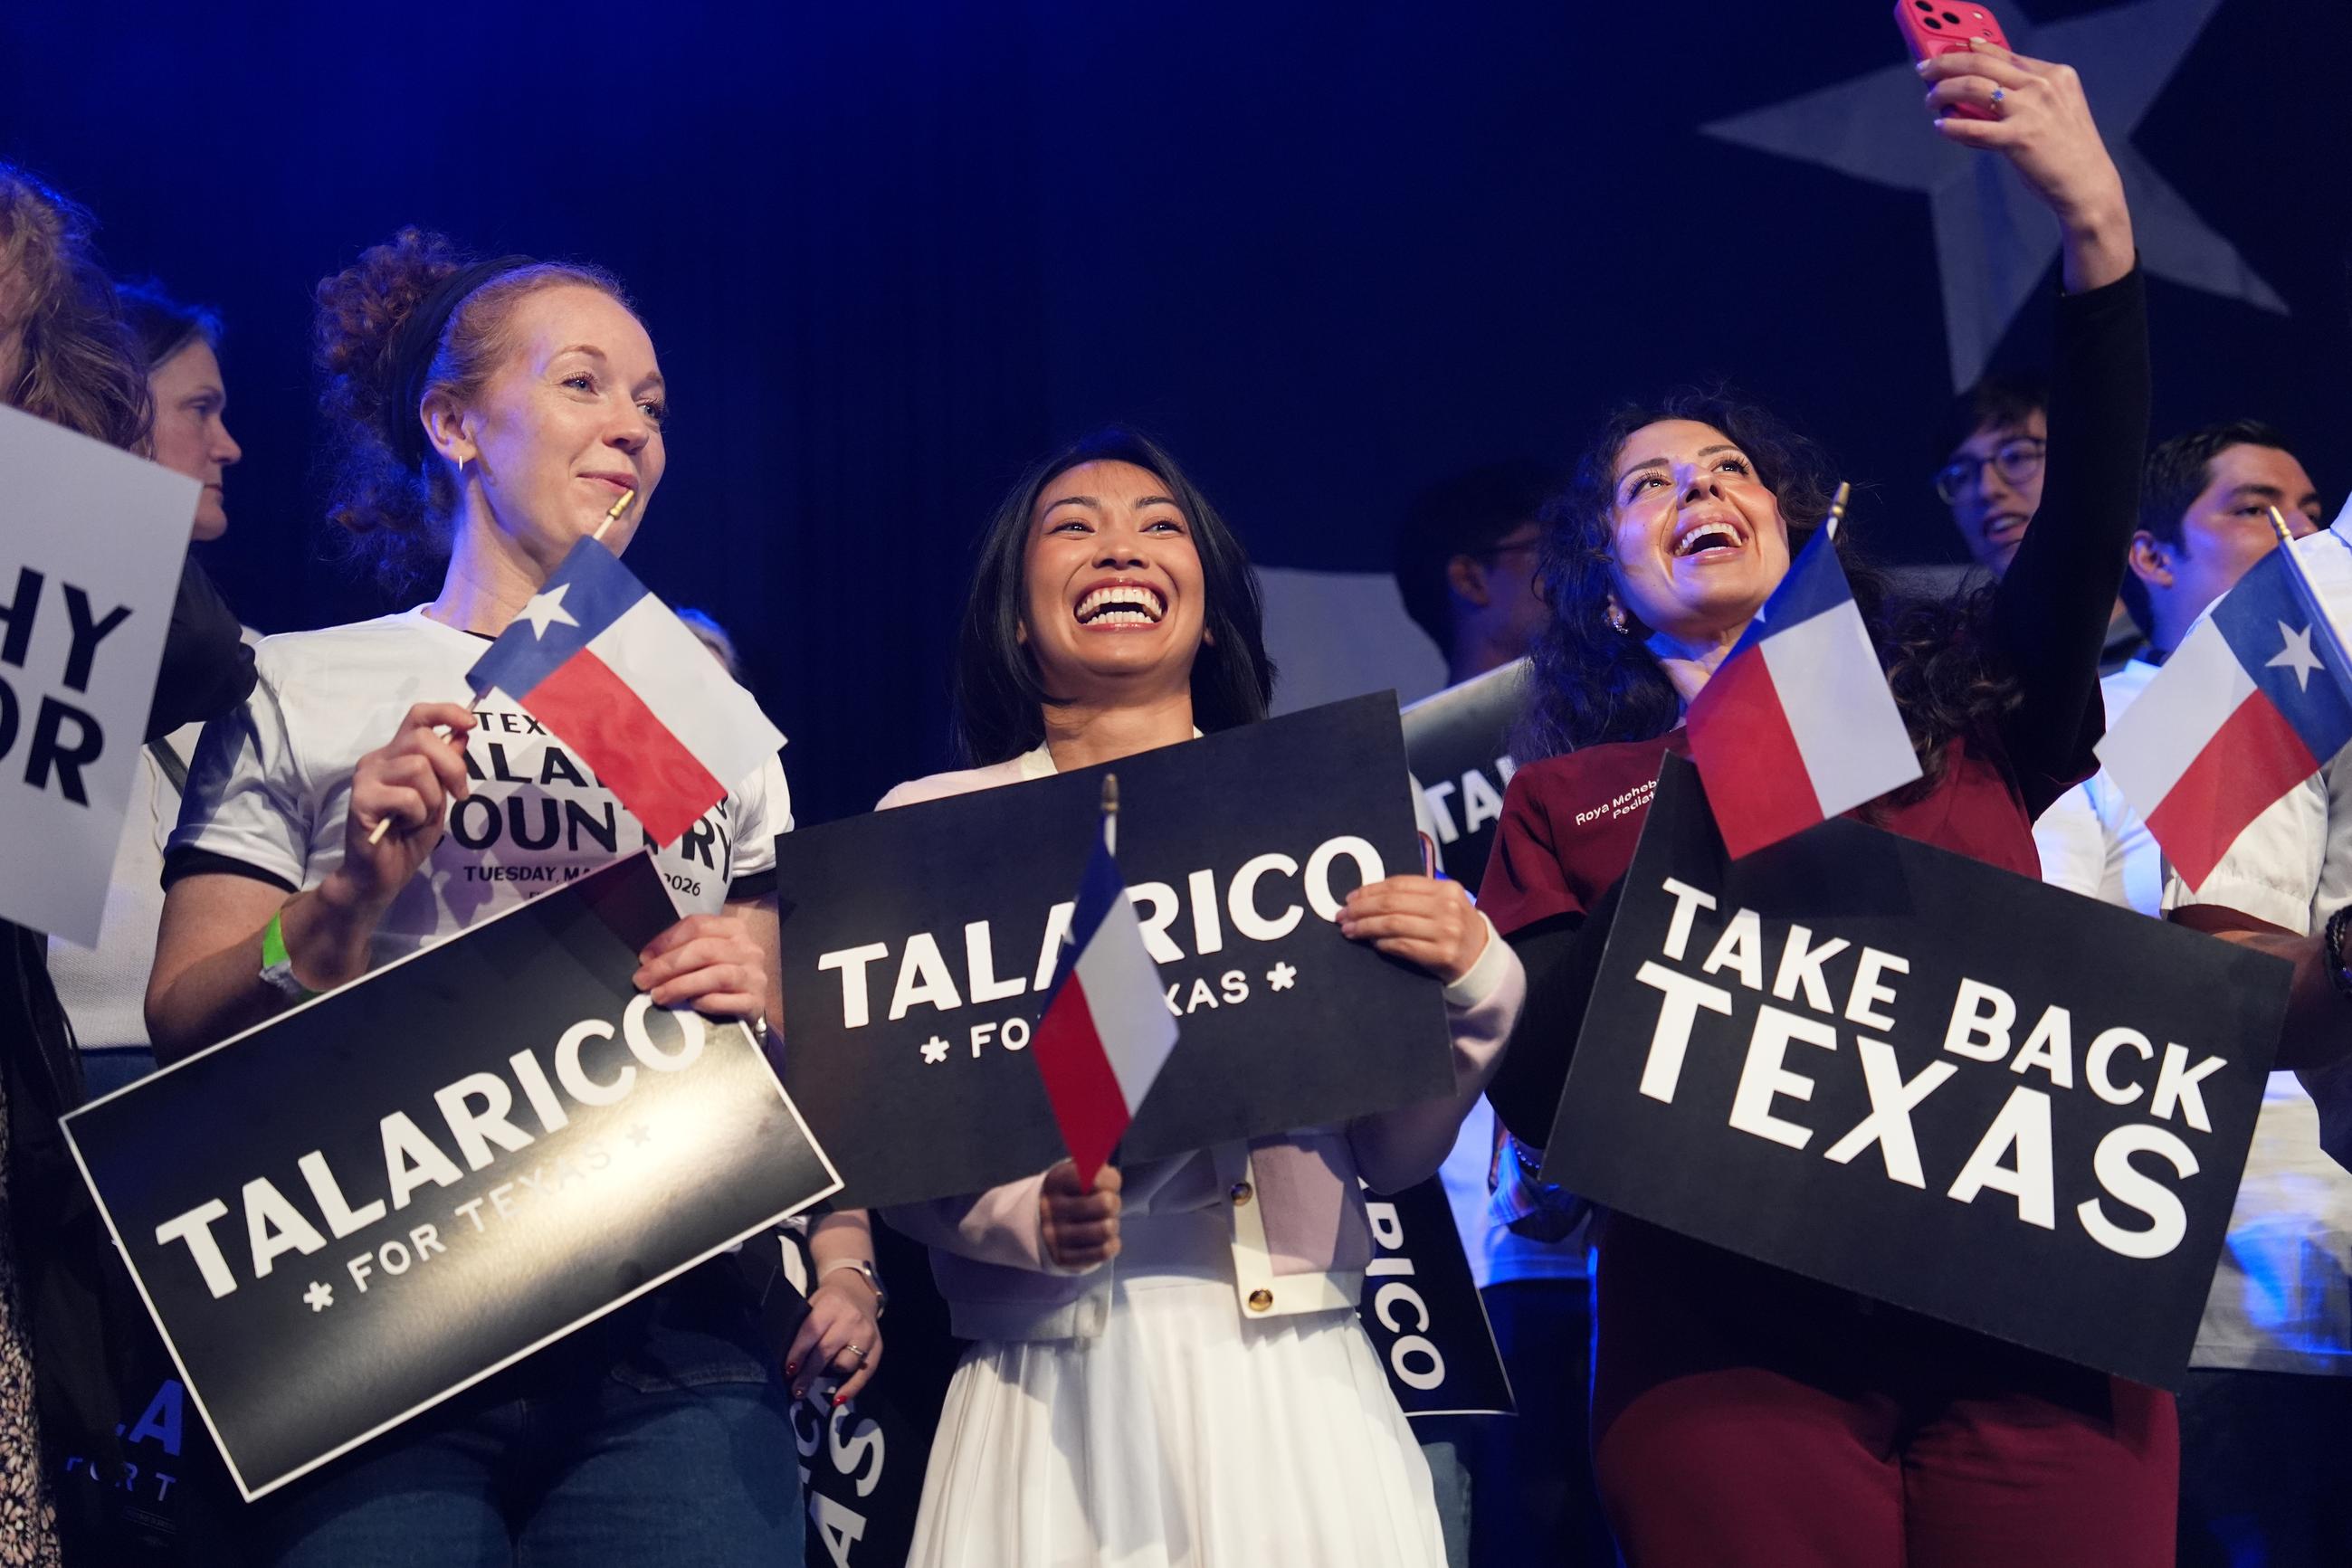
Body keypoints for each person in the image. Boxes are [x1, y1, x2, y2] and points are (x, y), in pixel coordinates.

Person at [1479, 41, 2165, 1564]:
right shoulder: (1561, 798)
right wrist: (1736, 762)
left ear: (1788, 519)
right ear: (1599, 583)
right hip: (1726, 1352)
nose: (1691, 490)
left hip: (2030, 1311)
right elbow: (1538, 1086)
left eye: (1722, 468)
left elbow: (2081, 530)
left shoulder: (1951, 684)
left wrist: (2094, 236)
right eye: (1643, 487)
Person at [144, 229, 874, 1566]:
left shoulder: (704, 713)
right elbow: (185, 1012)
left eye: (652, 406)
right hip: (376, 1343)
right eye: (585, 385)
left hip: (673, 1340)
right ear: (454, 421)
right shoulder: (301, 686)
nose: (632, 431)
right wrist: (346, 900)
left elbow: (799, 1042)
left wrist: (771, 997)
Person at [878, 427, 1525, 1568]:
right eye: (1073, 526)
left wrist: (1475, 972)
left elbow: (1391, 1152)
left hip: (1296, 1373)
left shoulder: (1326, 818)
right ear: (1015, 615)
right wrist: (1025, 1213)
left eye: (1159, 525)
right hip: (1048, 1382)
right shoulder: (933, 828)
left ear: (1211, 609)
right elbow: (898, 1129)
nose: (1119, 547)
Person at [0, 163, 255, 1568]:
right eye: (197, 411)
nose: (227, 445)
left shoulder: (52, 540)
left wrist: (65, 441)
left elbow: (199, 652)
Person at [2031, 423, 2344, 1565]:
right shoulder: (2086, 736)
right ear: (2151, 557)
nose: (2299, 532)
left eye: (2311, 505)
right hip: (2222, 1297)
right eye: (2255, 508)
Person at [1393, 460, 1605, 1568]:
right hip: (1479, 1246)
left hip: (1635, 1211)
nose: (1574, 575)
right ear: (1469, 577)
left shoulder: (1625, 747)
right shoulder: (1375, 784)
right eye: (1543, 553)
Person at [47, 280, 247, 1098]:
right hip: (60, 1084)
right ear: (111, 410)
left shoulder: (264, 666)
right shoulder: (41, 635)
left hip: (223, 1079)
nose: (228, 444)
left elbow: (278, 942)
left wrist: (295, 939)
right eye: (198, 408)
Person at [1936, 375, 2142, 670]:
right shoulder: (1959, 680)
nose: (1987, 489)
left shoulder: (2171, 661)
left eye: (2016, 456)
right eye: (1961, 474)